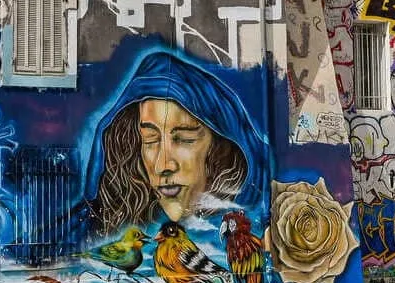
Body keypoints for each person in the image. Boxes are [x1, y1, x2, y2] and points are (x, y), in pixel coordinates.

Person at [79, 47, 269, 239]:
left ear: (220, 149)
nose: (163, 166)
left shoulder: (259, 224)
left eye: (185, 139)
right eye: (149, 139)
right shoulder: (92, 234)